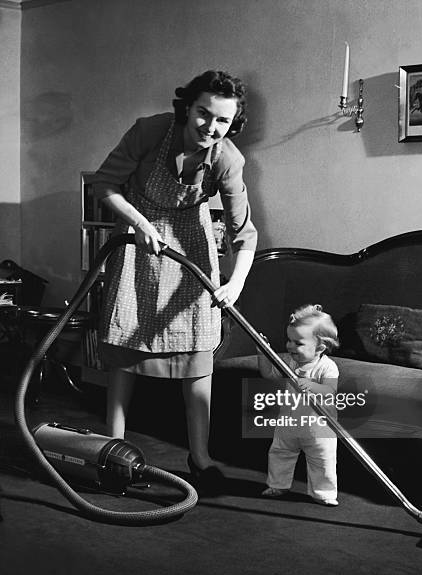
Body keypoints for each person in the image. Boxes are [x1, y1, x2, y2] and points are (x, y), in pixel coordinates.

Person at [92, 70, 257, 491]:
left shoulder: (227, 159)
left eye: (222, 120)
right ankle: (112, 449)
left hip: (191, 249)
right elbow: (105, 185)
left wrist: (234, 283)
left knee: (200, 344)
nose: (210, 127)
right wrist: (138, 222)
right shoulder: (150, 131)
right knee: (125, 338)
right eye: (203, 114)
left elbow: (244, 234)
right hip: (136, 241)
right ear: (188, 107)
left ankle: (200, 458)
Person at [257, 304, 341, 506]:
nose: (290, 347)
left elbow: (330, 391)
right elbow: (268, 374)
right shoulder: (289, 362)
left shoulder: (327, 367)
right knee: (279, 454)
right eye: (289, 340)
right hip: (289, 424)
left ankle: (324, 492)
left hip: (319, 428)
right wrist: (262, 353)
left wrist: (312, 385)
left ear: (320, 347)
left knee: (323, 460)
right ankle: (278, 485)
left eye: (298, 343)